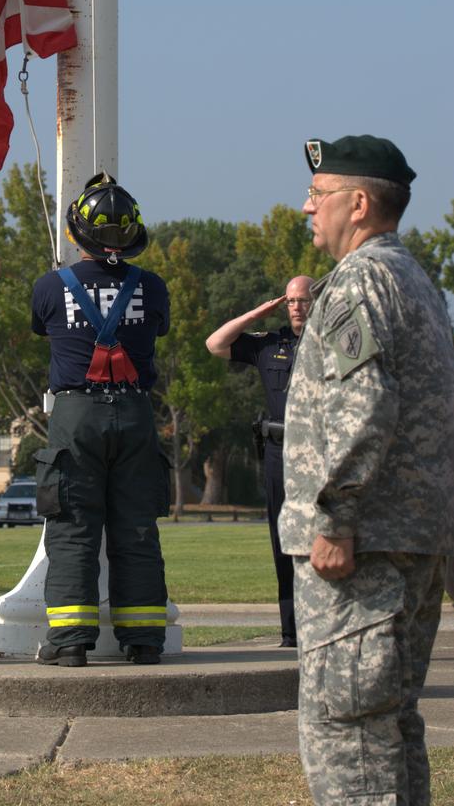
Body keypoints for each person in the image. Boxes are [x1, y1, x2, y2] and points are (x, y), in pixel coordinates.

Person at [280, 135, 454, 806]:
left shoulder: (359, 280)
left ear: (357, 204)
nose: (305, 207)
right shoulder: (415, 279)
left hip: (363, 549)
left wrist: (336, 517)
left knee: (346, 730)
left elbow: (363, 404)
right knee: (388, 724)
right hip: (407, 538)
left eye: (317, 196)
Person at [31, 172, 171, 667]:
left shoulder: (51, 287)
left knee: (72, 527)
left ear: (75, 234)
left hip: (76, 414)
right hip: (134, 413)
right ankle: (145, 638)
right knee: (136, 527)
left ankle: (70, 640)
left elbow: (43, 326)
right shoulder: (151, 288)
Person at [205, 275, 314, 648]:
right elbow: (215, 344)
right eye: (292, 301)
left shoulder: (331, 343)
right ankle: (290, 631)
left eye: (304, 299)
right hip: (279, 453)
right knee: (282, 541)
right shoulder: (271, 345)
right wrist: (257, 313)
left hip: (320, 454)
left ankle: (322, 625)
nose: (298, 306)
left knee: (322, 540)